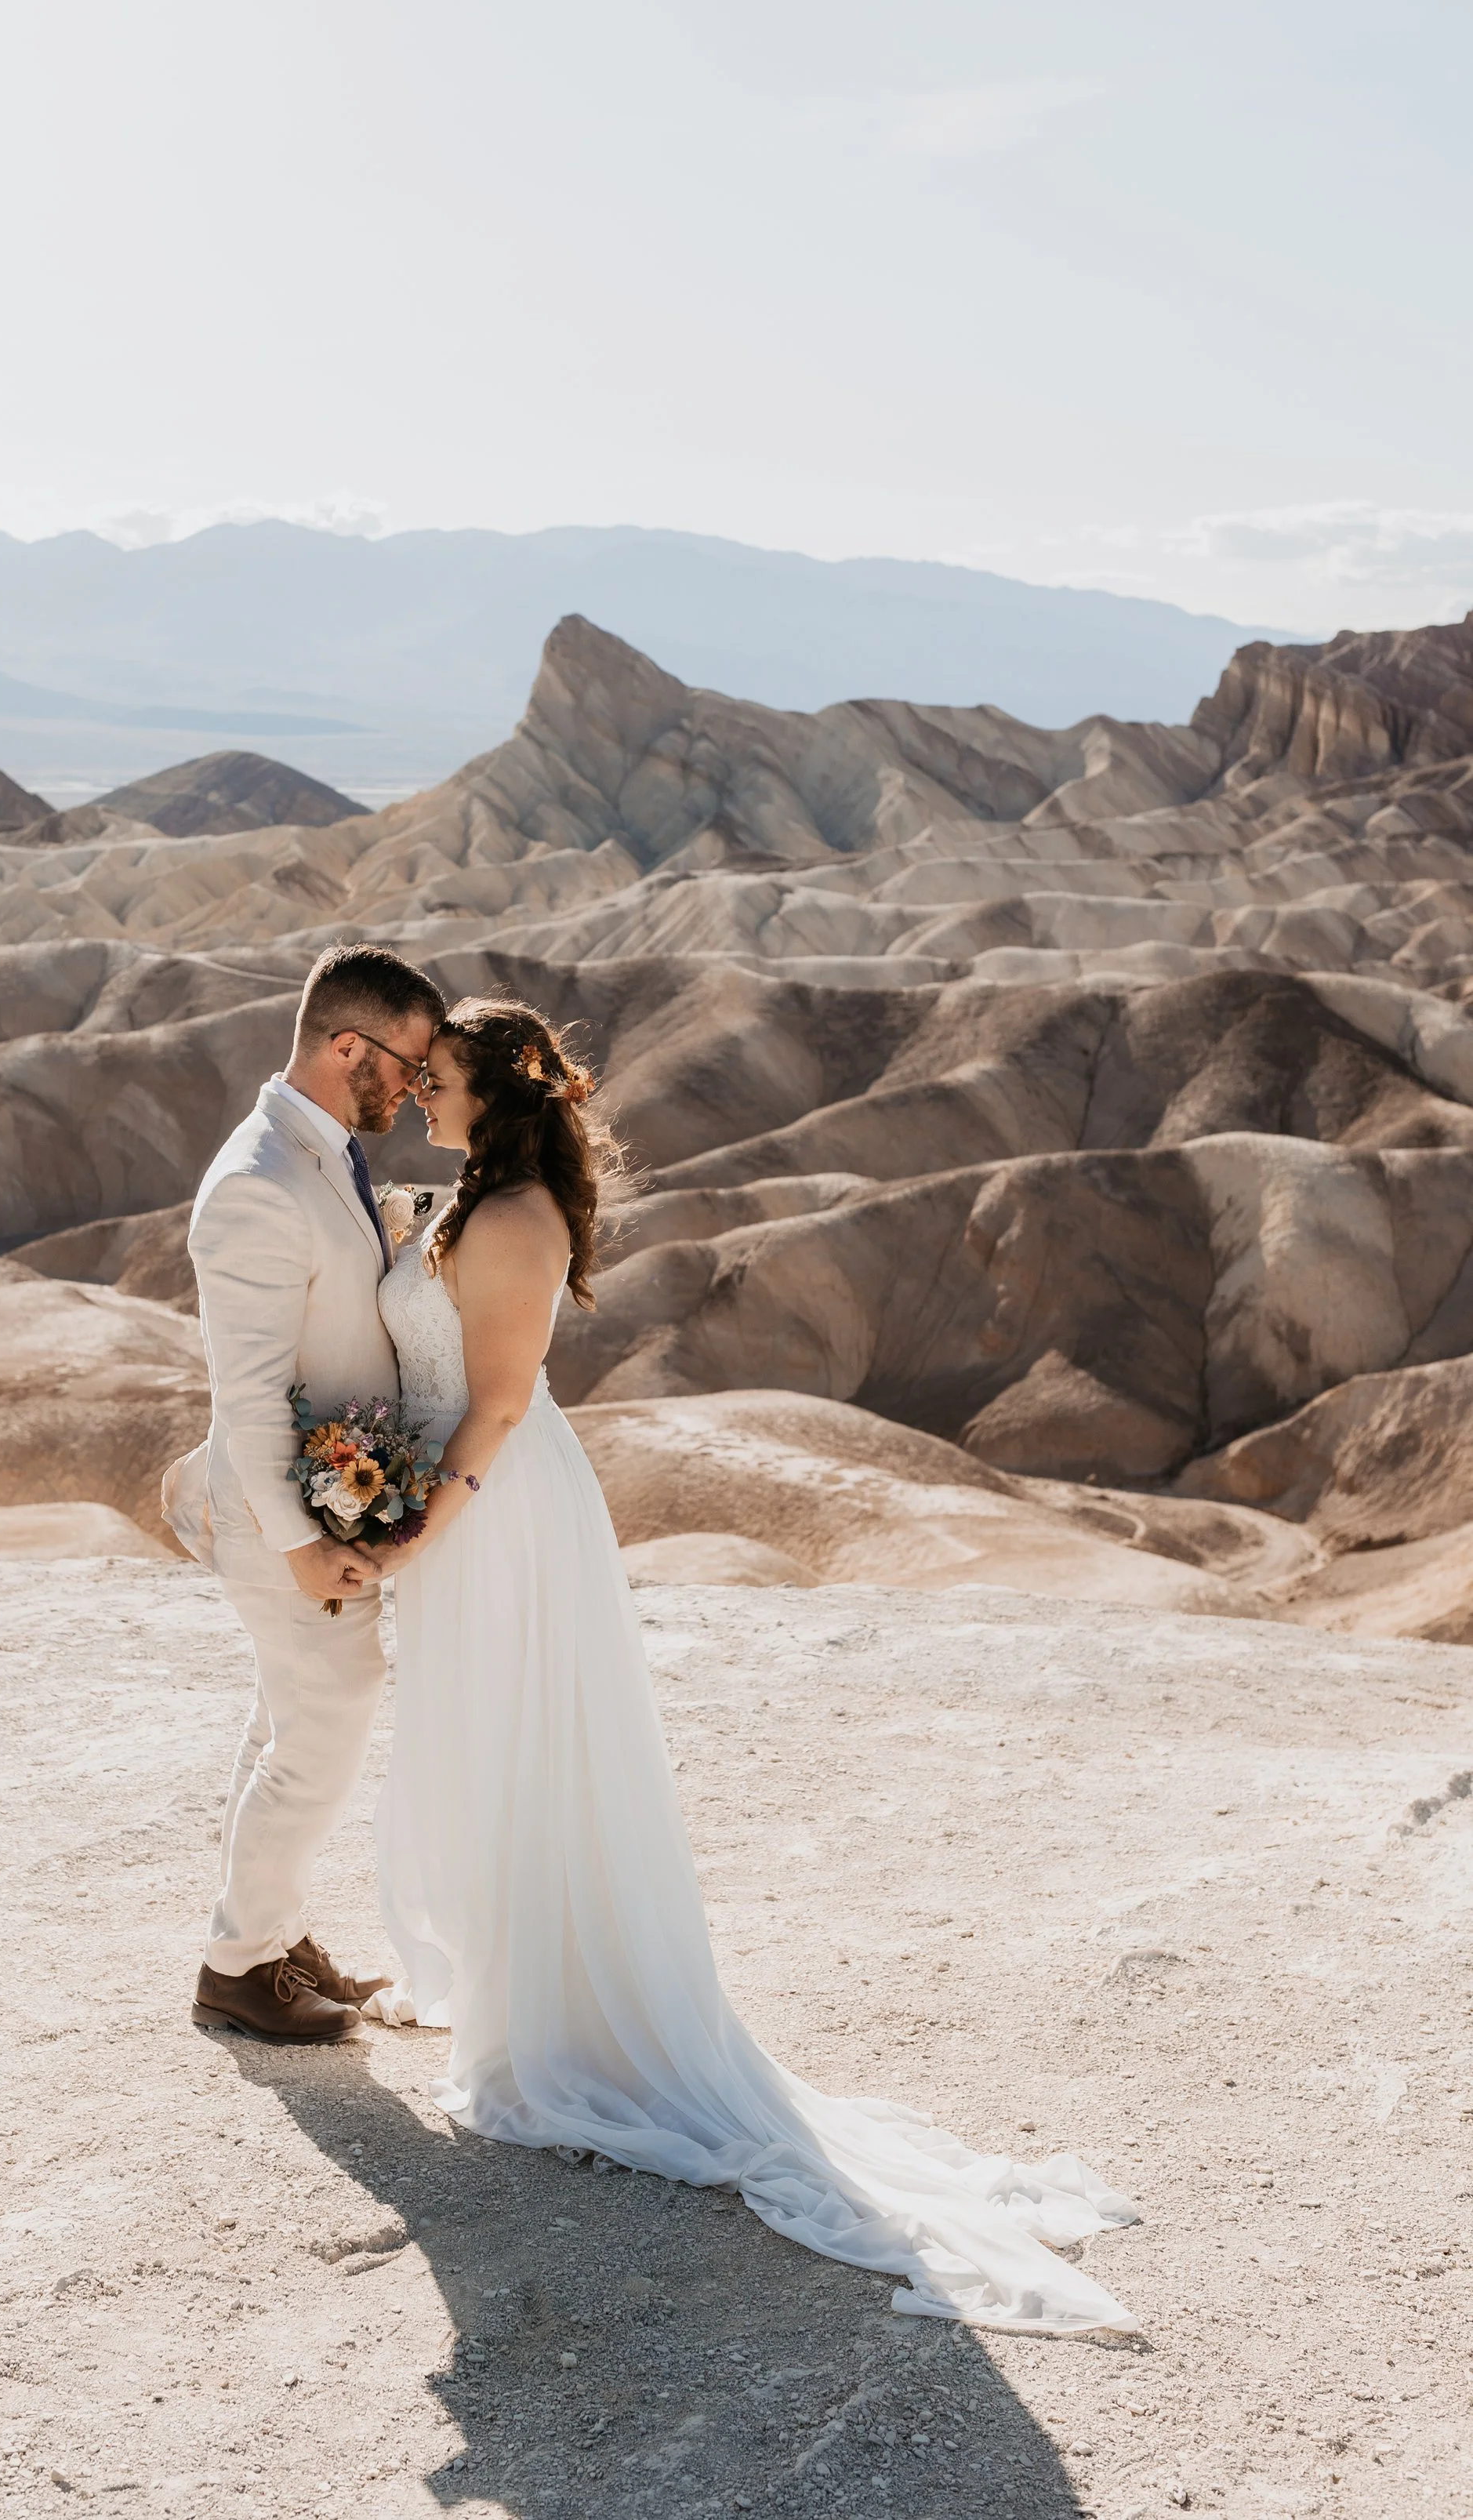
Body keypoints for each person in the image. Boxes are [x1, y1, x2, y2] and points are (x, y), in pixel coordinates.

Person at [368, 994, 1141, 2334]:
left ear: (491, 1091)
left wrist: (407, 1530)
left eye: (434, 1075)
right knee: (486, 1744)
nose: (417, 1093)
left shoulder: (508, 1218)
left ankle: (555, 2028)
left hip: (492, 1509)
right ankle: (515, 1997)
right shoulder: (474, 1202)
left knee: (523, 1747)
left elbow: (494, 1401)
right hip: (467, 1504)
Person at [165, 940, 444, 2043]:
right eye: (406, 1066)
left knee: (290, 1715)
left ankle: (271, 1935)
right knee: (326, 1724)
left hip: (323, 1498)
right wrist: (296, 1540)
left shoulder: (315, 1150)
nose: (415, 1090)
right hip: (285, 1511)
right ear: (345, 1047)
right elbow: (246, 1392)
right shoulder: (255, 1185)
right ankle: (237, 1965)